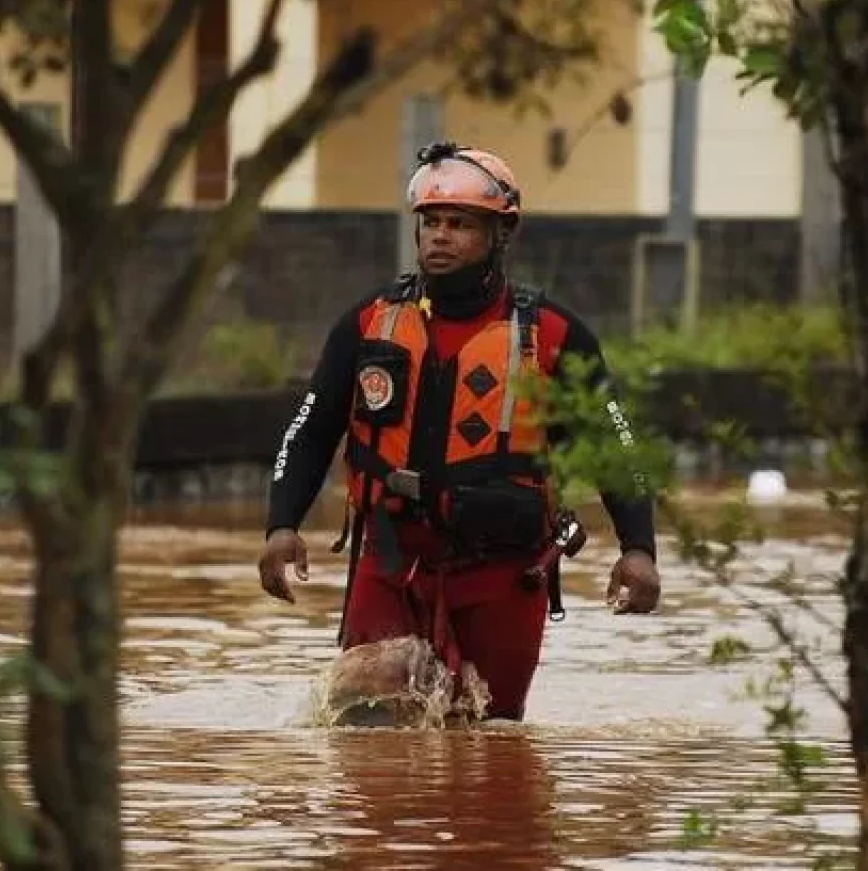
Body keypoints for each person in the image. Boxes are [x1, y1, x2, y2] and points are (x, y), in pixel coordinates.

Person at [257, 141, 661, 722]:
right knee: (365, 728)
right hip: (392, 558)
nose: (440, 236)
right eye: (431, 223)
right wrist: (281, 525)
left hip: (502, 570)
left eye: (460, 224)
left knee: (489, 743)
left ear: (501, 234)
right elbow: (310, 428)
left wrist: (638, 549)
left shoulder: (552, 336)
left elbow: (616, 449)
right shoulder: (368, 324)